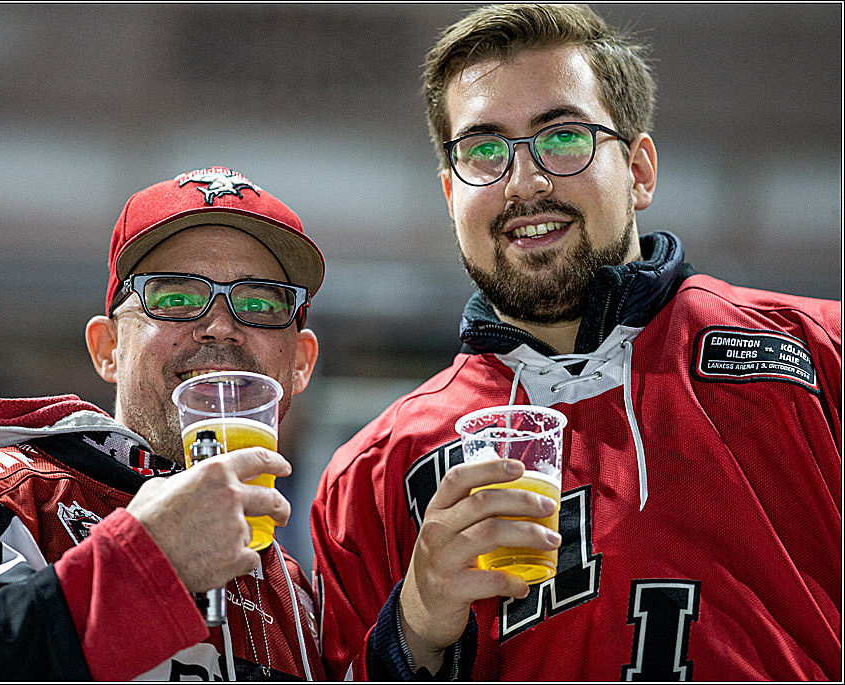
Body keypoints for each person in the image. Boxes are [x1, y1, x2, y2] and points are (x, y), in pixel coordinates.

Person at [310, 4, 841, 681]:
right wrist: (411, 629)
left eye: (562, 138)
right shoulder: (372, 476)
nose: (523, 183)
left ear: (640, 170)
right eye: (483, 150)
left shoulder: (821, 352)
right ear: (450, 193)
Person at [0, 166, 328, 681]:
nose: (221, 325)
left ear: (300, 365)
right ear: (107, 349)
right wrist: (136, 572)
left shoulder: (297, 591)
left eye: (261, 303)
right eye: (175, 297)